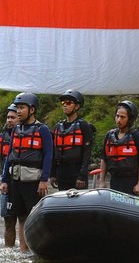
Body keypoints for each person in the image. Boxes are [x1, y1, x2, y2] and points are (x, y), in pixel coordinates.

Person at [0, 93, 53, 251]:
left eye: (22, 108)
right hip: (15, 179)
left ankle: (35, 249)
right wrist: (4, 179)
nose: (18, 111)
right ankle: (23, 251)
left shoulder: (42, 129)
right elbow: (10, 155)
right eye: (17, 108)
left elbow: (49, 155)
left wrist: (44, 180)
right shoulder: (16, 128)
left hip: (33, 180)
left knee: (32, 216)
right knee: (21, 216)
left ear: (32, 110)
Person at [99, 100, 139, 196]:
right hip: (115, 180)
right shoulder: (109, 135)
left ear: (130, 119)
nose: (118, 120)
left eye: (122, 117)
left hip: (131, 181)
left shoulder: (136, 136)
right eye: (117, 116)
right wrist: (102, 181)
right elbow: (104, 160)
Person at [50, 90, 94, 191]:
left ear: (77, 106)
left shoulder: (83, 126)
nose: (65, 105)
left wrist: (82, 176)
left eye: (68, 103)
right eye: (63, 103)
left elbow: (87, 153)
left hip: (76, 173)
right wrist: (53, 174)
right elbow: (54, 152)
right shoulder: (58, 126)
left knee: (78, 205)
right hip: (62, 173)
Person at [1, 104, 19, 247]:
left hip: (22, 181)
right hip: (5, 182)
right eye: (8, 117)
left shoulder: (29, 133)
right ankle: (9, 251)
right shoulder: (3, 137)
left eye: (13, 117)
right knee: (8, 219)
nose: (9, 120)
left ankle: (24, 252)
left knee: (25, 218)